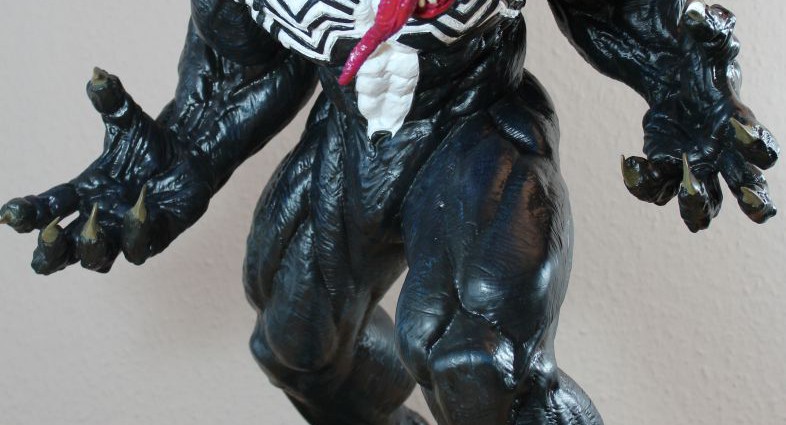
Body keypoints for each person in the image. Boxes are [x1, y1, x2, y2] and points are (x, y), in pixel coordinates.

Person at [0, 1, 778, 424]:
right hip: (349, 141)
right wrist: (175, 161)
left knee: (479, 364)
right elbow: (237, 74)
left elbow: (625, 16)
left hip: (475, 120)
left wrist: (684, 84)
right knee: (297, 346)